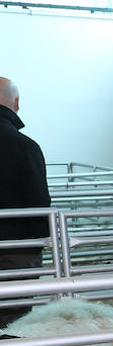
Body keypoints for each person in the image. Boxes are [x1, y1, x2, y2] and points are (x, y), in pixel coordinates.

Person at [0, 77, 51, 326]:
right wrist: (41, 239)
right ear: (16, 103)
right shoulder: (26, 147)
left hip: (16, 247)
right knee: (14, 317)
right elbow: (39, 202)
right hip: (17, 250)